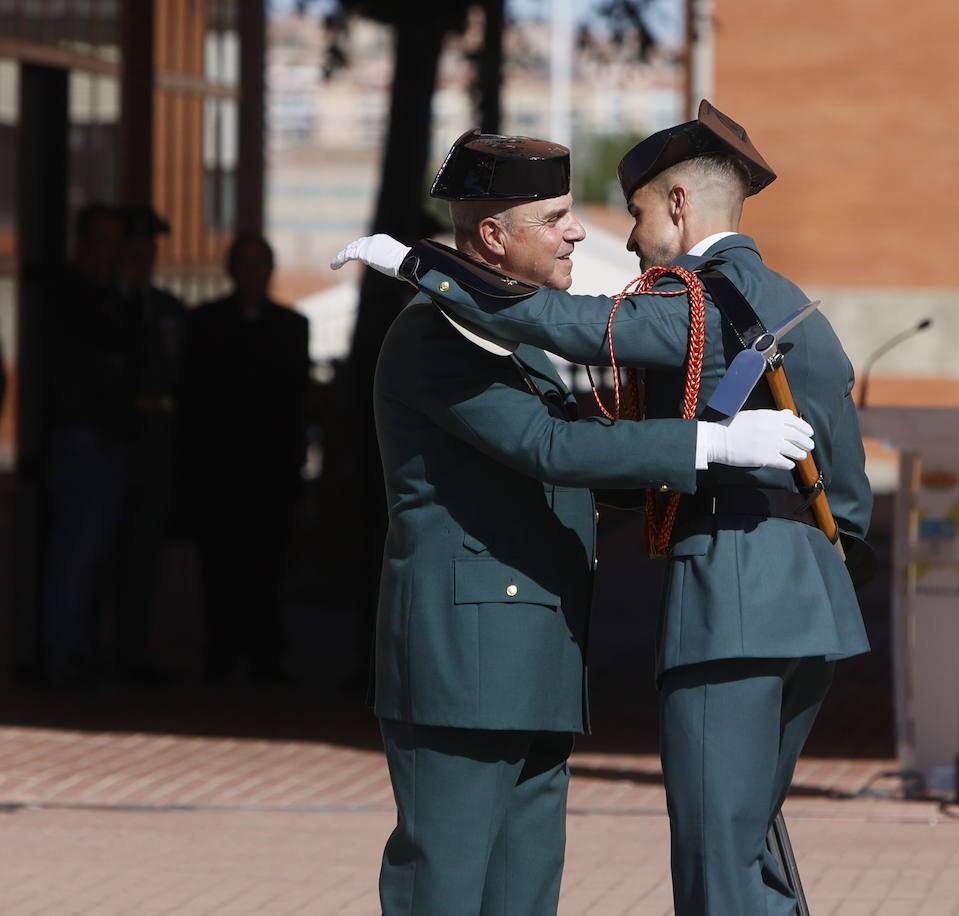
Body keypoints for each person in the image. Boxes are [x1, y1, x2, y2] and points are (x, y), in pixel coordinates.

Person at [335, 101, 872, 916]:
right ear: (491, 238)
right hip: (470, 655)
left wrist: (690, 457)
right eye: (554, 218)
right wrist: (705, 447)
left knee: (545, 885)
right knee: (448, 883)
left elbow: (576, 430)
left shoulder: (625, 315)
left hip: (544, 650)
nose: (584, 232)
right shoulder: (439, 335)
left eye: (622, 211)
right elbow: (552, 449)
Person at [183, 234, 309, 684]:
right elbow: (192, 401)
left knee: (269, 565)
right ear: (231, 269)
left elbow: (297, 405)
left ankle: (265, 656)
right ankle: (220, 652)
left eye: (261, 264)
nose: (254, 272)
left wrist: (296, 467)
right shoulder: (203, 324)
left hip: (272, 469)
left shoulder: (291, 326)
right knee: (218, 564)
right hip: (216, 467)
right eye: (246, 263)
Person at [39, 202, 138, 688]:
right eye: (103, 240)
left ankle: (76, 651)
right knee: (76, 550)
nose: (112, 251)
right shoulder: (70, 295)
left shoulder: (113, 296)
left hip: (108, 437)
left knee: (91, 551)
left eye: (117, 241)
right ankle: (62, 657)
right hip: (82, 436)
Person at [103, 205, 186, 685]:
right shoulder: (103, 304)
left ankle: (134, 651)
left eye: (150, 250)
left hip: (156, 444)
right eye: (136, 250)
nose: (144, 258)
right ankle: (94, 650)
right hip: (111, 438)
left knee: (145, 552)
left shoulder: (168, 308)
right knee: (100, 551)